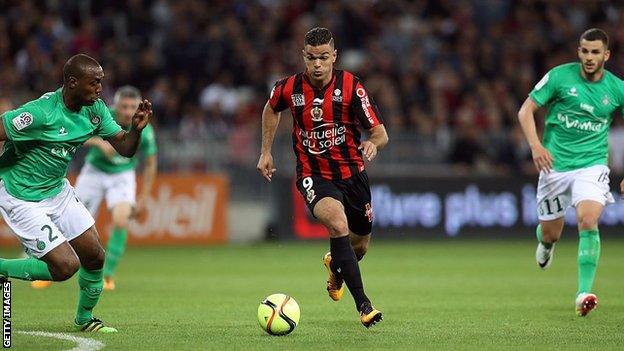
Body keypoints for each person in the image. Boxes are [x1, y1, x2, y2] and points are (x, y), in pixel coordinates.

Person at [0, 54, 152, 332]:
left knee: (95, 256)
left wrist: (135, 131)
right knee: (65, 267)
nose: (100, 89)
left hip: (57, 191)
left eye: (101, 83)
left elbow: (126, 148)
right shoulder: (40, 113)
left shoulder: (95, 111)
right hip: (21, 196)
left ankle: (85, 319)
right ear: (72, 83)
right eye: (94, 83)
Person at [256, 27, 389, 328]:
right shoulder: (289, 88)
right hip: (314, 174)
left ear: (334, 57)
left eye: (324, 58)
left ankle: (336, 266)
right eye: (312, 58)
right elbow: (271, 107)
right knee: (337, 222)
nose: (317, 64)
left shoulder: (351, 86)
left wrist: (372, 143)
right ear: (303, 56)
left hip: (353, 174)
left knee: (360, 246)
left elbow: (381, 133)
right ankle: (364, 306)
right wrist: (266, 151)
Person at [518, 28, 624, 317]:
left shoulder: (617, 89)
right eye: (585, 51)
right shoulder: (559, 77)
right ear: (579, 52)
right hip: (554, 166)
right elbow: (525, 111)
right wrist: (536, 146)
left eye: (595, 52)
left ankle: (583, 293)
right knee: (551, 233)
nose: (589, 57)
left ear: (606, 55)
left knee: (588, 220)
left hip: (592, 165)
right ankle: (545, 243)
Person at [30, 86, 158, 291]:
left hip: (123, 175)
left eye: (132, 107)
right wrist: (99, 142)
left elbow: (151, 163)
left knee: (121, 218)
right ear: (116, 106)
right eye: (124, 107)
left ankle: (107, 276)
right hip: (94, 172)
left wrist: (143, 198)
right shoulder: (102, 114)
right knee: (67, 223)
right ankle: (48, 270)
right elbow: (77, 132)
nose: (128, 112)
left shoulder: (145, 128)